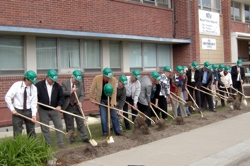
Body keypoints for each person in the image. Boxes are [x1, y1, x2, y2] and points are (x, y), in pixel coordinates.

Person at [36, 69, 65, 148]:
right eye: (52, 80)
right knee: (45, 127)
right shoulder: (39, 85)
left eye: (55, 80)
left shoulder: (57, 87)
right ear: (47, 77)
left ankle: (60, 143)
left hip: (54, 109)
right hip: (43, 110)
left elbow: (61, 97)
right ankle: (48, 144)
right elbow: (34, 97)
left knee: (59, 126)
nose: (53, 82)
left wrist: (59, 105)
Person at [89, 67, 122, 137]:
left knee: (114, 116)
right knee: (103, 117)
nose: (108, 79)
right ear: (103, 75)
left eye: (109, 77)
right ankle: (105, 133)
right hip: (101, 100)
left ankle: (117, 131)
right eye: (107, 77)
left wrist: (113, 102)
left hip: (110, 100)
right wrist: (91, 98)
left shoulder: (113, 79)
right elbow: (92, 89)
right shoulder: (97, 78)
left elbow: (114, 92)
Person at [5, 70, 37, 137]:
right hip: (17, 111)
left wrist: (34, 115)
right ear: (26, 79)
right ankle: (18, 146)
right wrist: (12, 109)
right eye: (31, 81)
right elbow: (7, 97)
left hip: (29, 111)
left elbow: (34, 102)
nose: (32, 83)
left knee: (31, 131)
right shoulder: (16, 85)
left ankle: (32, 146)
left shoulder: (34, 88)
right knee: (17, 132)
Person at [62, 70, 89, 144]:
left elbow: (82, 95)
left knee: (80, 122)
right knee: (69, 123)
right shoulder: (65, 83)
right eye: (76, 80)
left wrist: (80, 101)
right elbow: (62, 92)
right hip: (68, 106)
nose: (77, 82)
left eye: (78, 80)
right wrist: (70, 91)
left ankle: (84, 137)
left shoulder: (80, 84)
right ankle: (72, 138)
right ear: (72, 77)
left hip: (77, 106)